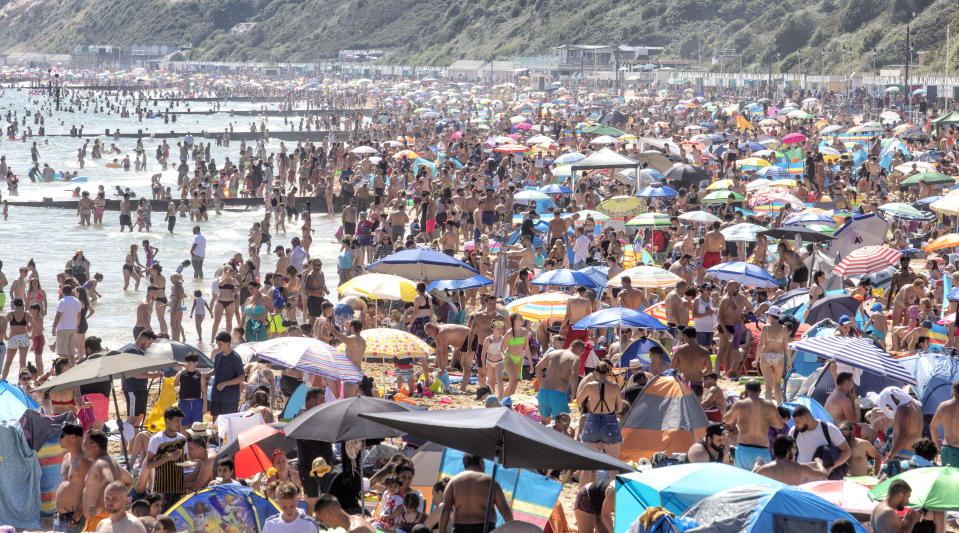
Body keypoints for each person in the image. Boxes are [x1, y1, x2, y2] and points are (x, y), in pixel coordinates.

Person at [576, 359, 623, 484]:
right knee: (613, 465)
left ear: (596, 372)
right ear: (608, 372)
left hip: (593, 420)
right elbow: (619, 408)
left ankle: (582, 496)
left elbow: (579, 400)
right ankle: (614, 496)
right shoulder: (614, 387)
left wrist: (592, 404)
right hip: (610, 421)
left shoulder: (590, 386)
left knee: (587, 465)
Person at [440, 453, 513, 533]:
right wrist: (514, 530)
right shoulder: (491, 482)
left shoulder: (453, 482)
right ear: (481, 462)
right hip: (485, 529)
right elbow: (506, 512)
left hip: (459, 529)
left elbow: (445, 511)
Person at [725, 380, 783, 469]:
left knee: (743, 481)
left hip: (744, 449)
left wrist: (738, 406)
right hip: (762, 450)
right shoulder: (769, 405)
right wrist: (766, 421)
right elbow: (780, 425)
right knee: (762, 481)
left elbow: (727, 420)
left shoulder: (740, 404)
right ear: (760, 391)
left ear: (746, 391)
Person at [790, 405, 851, 480]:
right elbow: (789, 453)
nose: (795, 425)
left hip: (823, 480)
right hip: (801, 480)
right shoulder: (794, 431)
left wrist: (831, 467)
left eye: (797, 422)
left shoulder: (829, 429)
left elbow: (846, 451)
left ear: (808, 419)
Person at [142, 407, 186, 509]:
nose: (179, 424)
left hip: (178, 487)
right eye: (176, 421)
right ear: (167, 421)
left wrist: (188, 464)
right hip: (161, 488)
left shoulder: (182, 439)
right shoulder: (156, 439)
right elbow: (148, 464)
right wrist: (167, 458)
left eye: (180, 421)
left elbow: (184, 461)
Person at [533, 340, 580, 425]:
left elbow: (537, 367)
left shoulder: (553, 353)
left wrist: (540, 384)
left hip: (543, 392)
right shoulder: (575, 358)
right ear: (579, 351)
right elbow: (574, 376)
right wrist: (573, 393)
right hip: (558, 393)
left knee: (544, 423)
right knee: (563, 424)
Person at [55, 423, 91, 533]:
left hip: (75, 519)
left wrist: (78, 515)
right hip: (60, 517)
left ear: (72, 437)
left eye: (62, 435)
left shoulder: (85, 461)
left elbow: (89, 489)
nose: (58, 438)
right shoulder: (66, 458)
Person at [752, 435, 827, 485]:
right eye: (794, 451)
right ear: (789, 451)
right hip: (793, 504)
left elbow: (752, 478)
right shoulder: (800, 468)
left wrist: (756, 465)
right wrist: (818, 462)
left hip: (774, 505)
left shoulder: (763, 470)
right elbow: (823, 474)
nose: (794, 455)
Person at [755, 306, 789, 404]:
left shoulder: (766, 328)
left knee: (768, 387)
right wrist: (789, 362)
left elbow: (760, 345)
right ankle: (780, 407)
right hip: (779, 357)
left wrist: (756, 360)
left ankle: (767, 410)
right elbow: (786, 347)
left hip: (766, 355)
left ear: (770, 316)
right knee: (777, 385)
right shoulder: (784, 329)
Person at [207, 331, 245, 416]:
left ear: (227, 343)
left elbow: (242, 377)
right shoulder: (218, 355)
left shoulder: (235, 358)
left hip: (230, 398)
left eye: (220, 344)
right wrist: (206, 374)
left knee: (228, 423)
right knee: (215, 422)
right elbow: (215, 371)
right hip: (216, 395)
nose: (218, 346)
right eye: (217, 344)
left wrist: (225, 384)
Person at [671, 326, 712, 397]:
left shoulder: (679, 350)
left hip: (684, 382)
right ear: (695, 336)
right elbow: (710, 370)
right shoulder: (704, 351)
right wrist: (700, 375)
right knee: (697, 406)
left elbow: (672, 369)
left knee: (684, 406)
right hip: (698, 382)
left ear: (685, 336)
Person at [52, 284, 82, 363]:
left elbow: (58, 316)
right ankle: (72, 369)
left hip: (63, 328)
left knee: (63, 353)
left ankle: (66, 371)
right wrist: (77, 326)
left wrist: (53, 328)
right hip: (73, 328)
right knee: (71, 352)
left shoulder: (62, 302)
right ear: (71, 291)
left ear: (62, 292)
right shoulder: (77, 302)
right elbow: (79, 316)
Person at [932, 381, 959, 467]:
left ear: (952, 391)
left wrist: (937, 446)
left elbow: (933, 427)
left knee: (946, 479)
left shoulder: (943, 406)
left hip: (946, 450)